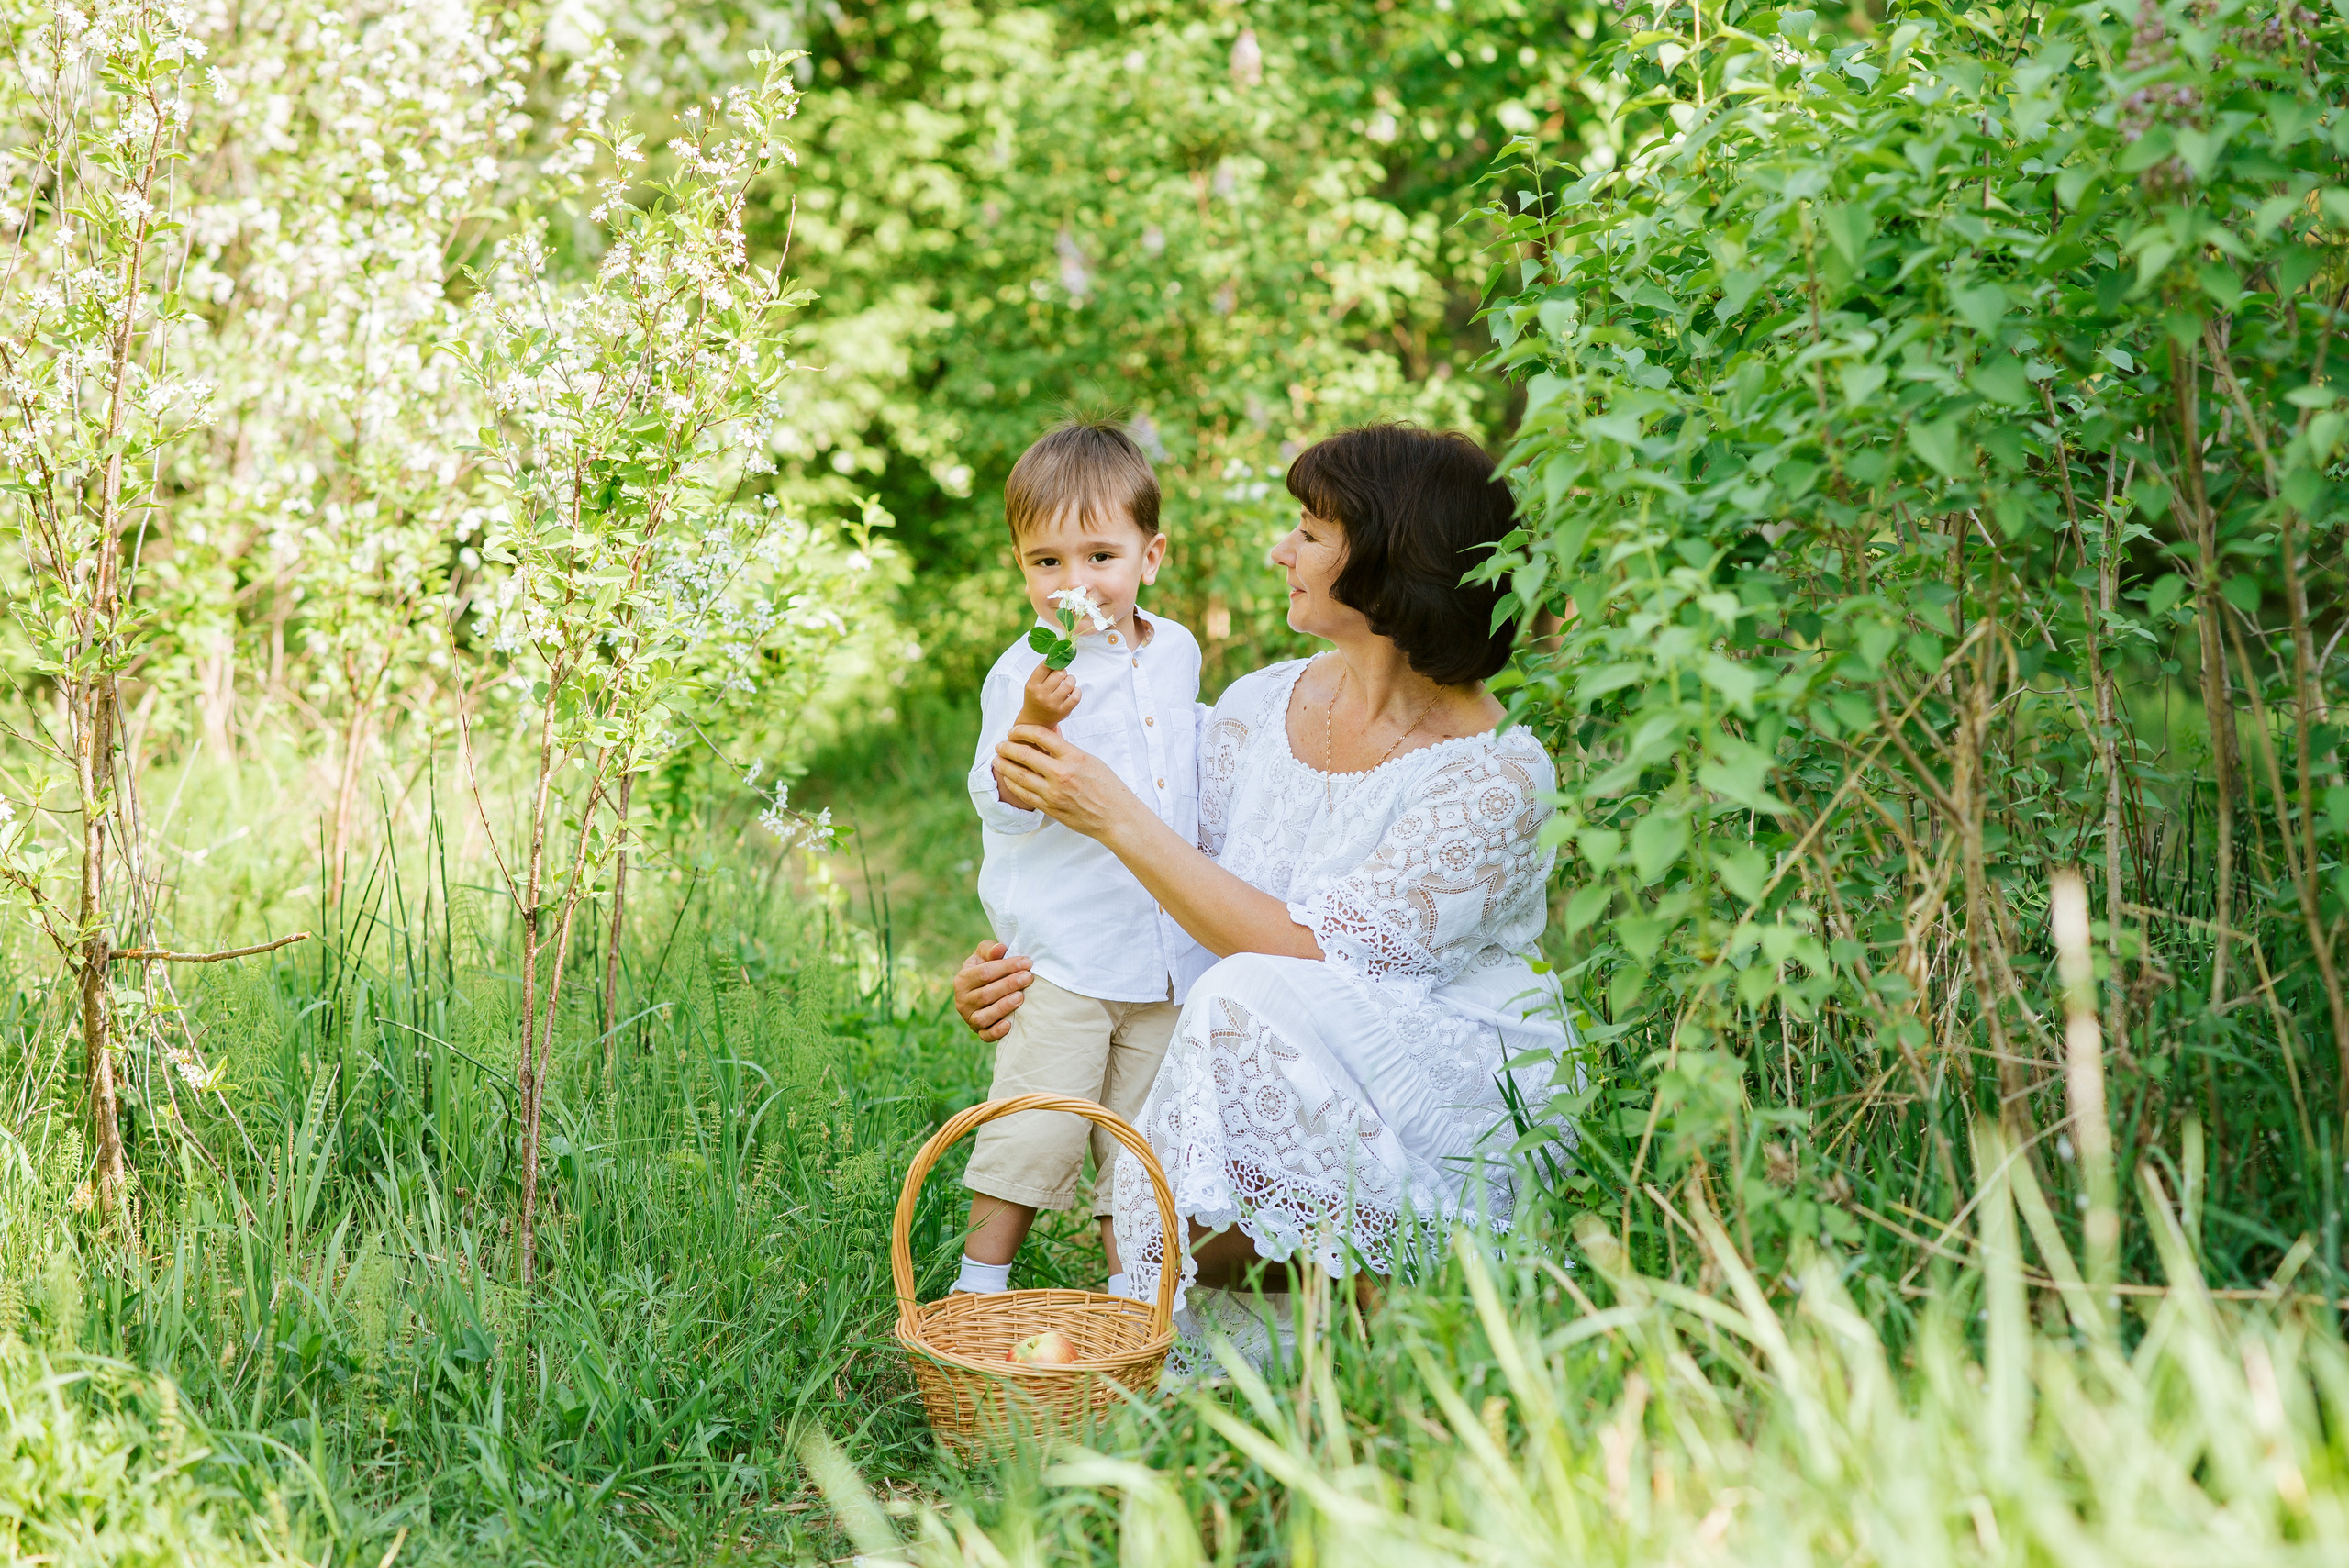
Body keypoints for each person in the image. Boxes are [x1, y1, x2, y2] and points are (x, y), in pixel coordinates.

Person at [956, 424, 1572, 1366]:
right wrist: (1032, 960)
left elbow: (1324, 966)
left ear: (1389, 557)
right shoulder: (1254, 704)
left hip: (1437, 1076)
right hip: (1258, 1046)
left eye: (1310, 530)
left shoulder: (1497, 776)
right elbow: (1161, 888)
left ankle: (1385, 1306)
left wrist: (1114, 813)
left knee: (1243, 995)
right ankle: (1218, 1301)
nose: (1280, 548)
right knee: (1199, 1026)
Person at [952, 417, 1214, 1301]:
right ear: (1021, 567)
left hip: (1167, 956)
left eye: (1100, 556)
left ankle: (1135, 1296)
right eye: (1047, 563)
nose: (1076, 585)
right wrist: (1034, 723)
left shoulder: (1177, 651)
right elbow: (1000, 804)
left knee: (1141, 1141)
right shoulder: (1023, 670)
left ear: (1152, 555)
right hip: (1066, 953)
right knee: (1038, 1120)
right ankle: (978, 1283)